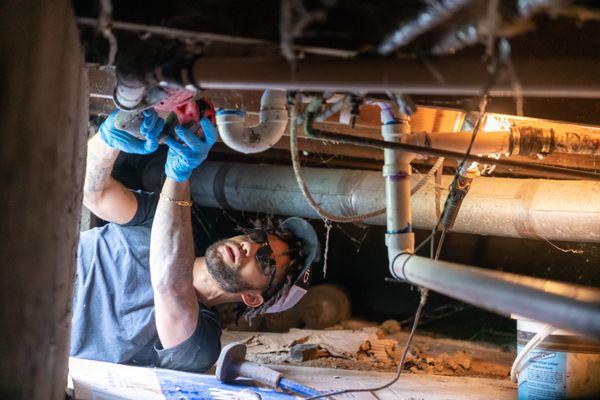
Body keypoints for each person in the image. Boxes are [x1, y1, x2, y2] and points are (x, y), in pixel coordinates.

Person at [70, 109, 319, 372]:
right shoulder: (163, 218)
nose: (251, 247)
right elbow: (93, 193)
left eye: (265, 260)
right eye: (259, 238)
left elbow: (170, 285)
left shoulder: (200, 344)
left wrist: (178, 177)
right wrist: (111, 136)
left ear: (253, 298)